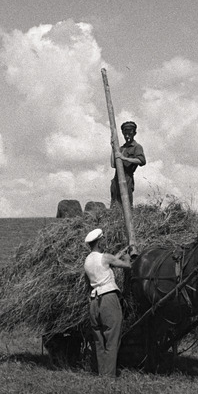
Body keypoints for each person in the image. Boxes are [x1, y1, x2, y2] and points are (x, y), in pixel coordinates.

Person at [83, 228, 133, 377]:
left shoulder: (88, 261)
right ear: (99, 242)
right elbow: (127, 266)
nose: (104, 241)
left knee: (99, 341)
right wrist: (128, 255)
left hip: (94, 302)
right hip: (108, 299)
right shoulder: (105, 257)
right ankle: (109, 378)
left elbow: (107, 262)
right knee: (112, 338)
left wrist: (119, 254)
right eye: (103, 239)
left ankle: (102, 374)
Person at [110, 120, 146, 207]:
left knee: (126, 205)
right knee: (114, 205)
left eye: (130, 133)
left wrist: (124, 158)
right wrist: (113, 148)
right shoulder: (121, 148)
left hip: (127, 179)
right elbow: (112, 164)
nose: (127, 135)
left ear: (134, 133)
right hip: (116, 179)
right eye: (125, 133)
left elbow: (141, 161)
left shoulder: (137, 147)